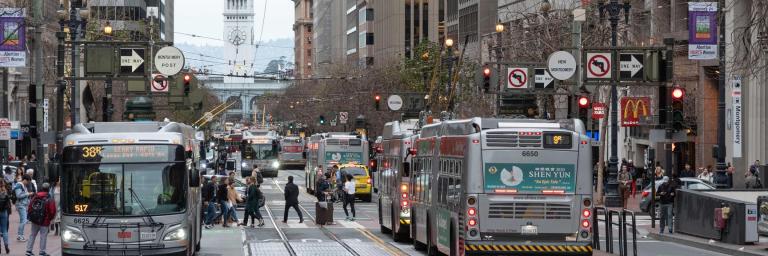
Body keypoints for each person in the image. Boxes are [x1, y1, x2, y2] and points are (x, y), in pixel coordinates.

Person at [25, 182, 55, 256]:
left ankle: (28, 251)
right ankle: (42, 252)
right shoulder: (50, 198)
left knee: (32, 235)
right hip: (45, 220)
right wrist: (50, 219)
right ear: (48, 189)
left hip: (35, 219)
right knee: (43, 236)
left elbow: (29, 207)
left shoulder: (36, 196)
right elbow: (52, 211)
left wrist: (31, 217)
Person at [13, 175, 33, 242]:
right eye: (28, 181)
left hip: (23, 205)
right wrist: (28, 194)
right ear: (25, 180)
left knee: (23, 220)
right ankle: (20, 236)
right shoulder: (19, 185)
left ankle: (20, 235)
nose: (28, 183)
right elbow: (18, 195)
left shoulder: (22, 185)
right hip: (20, 205)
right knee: (23, 221)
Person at [0, 179, 11, 254]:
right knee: (4, 230)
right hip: (4, 212)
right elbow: (8, 204)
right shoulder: (5, 192)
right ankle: (6, 245)